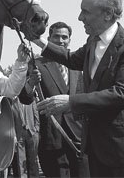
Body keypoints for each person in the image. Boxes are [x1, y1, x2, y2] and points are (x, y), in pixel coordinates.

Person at [32, 0, 124, 177]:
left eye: (85, 11)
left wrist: (71, 102)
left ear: (108, 14)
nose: (79, 17)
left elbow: (123, 93)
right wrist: (38, 40)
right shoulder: (92, 43)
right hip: (96, 150)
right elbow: (71, 59)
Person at [21, 22, 89, 177]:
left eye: (65, 37)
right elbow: (25, 98)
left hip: (79, 138)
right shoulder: (36, 64)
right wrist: (31, 83)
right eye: (56, 36)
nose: (61, 40)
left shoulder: (78, 63)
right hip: (52, 138)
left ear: (70, 40)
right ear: (49, 38)